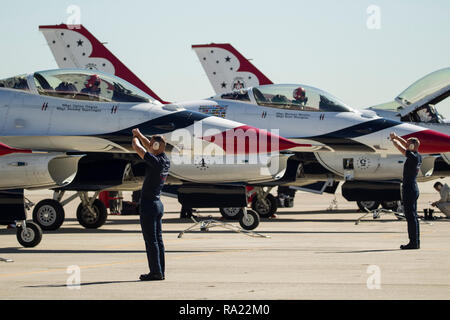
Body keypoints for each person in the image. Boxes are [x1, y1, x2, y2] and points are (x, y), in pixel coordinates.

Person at [131, 129, 170, 281]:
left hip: (148, 205)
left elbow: (138, 149)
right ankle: (160, 271)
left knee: (151, 240)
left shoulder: (154, 161)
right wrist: (140, 134)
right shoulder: (164, 160)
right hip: (157, 204)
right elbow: (149, 147)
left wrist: (134, 139)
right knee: (158, 240)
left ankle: (155, 272)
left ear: (155, 146)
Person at [390, 133, 422, 250]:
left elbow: (401, 148)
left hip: (409, 189)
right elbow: (406, 145)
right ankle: (415, 242)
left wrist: (393, 140)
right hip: (413, 188)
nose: (407, 145)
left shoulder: (412, 157)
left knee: (410, 217)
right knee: (413, 216)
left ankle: (413, 243)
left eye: (409, 144)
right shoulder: (417, 156)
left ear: (412, 146)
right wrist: (397, 137)